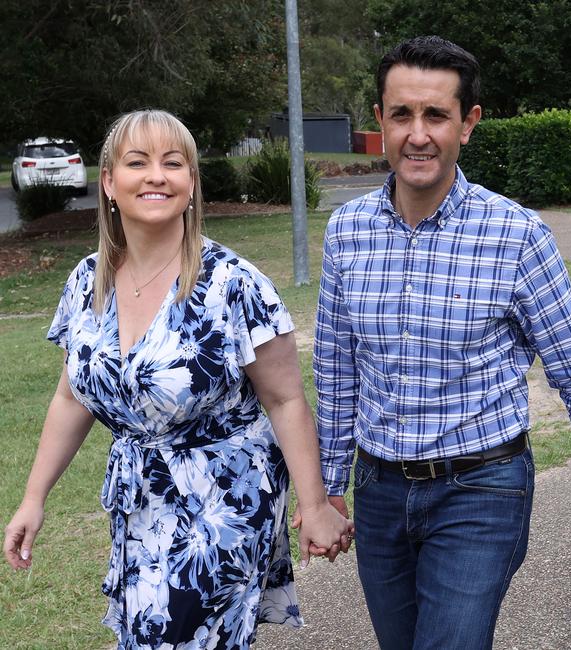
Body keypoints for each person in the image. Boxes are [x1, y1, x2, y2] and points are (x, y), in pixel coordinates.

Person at [313, 35, 571, 650]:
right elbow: (335, 370)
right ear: (379, 120)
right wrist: (329, 487)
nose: (418, 134)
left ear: (469, 123)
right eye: (402, 114)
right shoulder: (347, 231)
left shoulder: (517, 236)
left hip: (481, 490)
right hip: (379, 490)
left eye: (437, 115)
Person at [3, 108, 352, 649]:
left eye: (173, 163)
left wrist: (315, 507)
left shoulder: (233, 284)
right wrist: (33, 498)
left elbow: (284, 400)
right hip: (139, 503)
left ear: (191, 183)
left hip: (222, 503)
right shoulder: (86, 282)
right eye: (137, 163)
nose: (156, 176)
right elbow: (72, 395)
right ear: (109, 183)